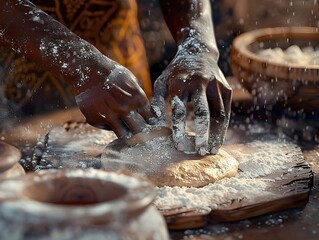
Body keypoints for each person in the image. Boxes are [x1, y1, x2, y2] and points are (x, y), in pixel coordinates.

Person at [0, 0, 232, 156]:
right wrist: (79, 63)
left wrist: (198, 47)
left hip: (121, 65)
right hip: (23, 71)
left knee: (142, 149)